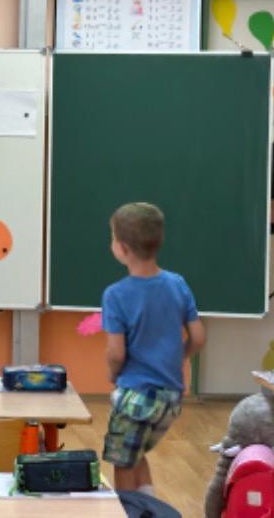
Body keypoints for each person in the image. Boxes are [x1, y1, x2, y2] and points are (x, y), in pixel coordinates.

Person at [102, 202, 205, 496]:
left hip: (136, 394)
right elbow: (198, 337)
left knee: (122, 463)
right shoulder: (177, 284)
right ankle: (149, 506)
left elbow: (116, 353)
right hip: (170, 397)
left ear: (122, 248)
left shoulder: (116, 295)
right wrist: (177, 359)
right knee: (135, 454)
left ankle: (130, 510)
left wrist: (113, 374)